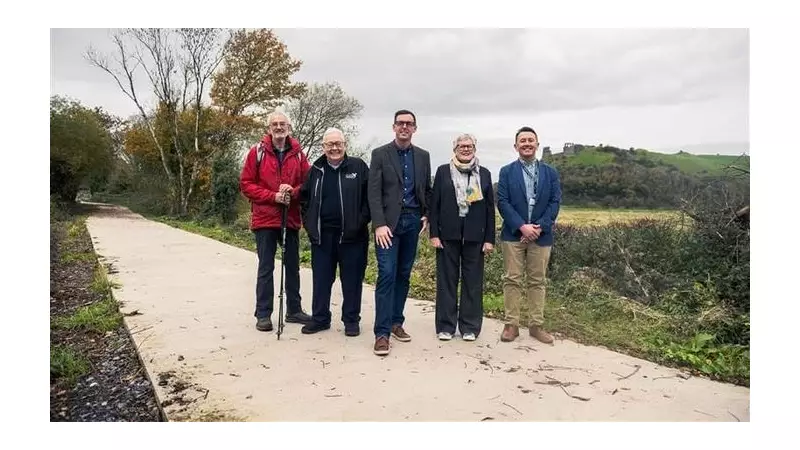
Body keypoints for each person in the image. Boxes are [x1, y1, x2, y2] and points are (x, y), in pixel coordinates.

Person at [239, 110, 313, 332]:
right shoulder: (257, 152)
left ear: (289, 128)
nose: (279, 127)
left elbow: (307, 184)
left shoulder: (299, 154)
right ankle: (263, 314)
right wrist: (273, 196)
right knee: (266, 267)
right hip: (264, 219)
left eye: (283, 124)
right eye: (275, 124)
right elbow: (246, 184)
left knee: (292, 266)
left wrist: (293, 191)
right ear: (269, 129)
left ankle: (294, 310)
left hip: (289, 218)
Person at [367, 109, 432, 356]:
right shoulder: (380, 154)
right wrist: (379, 224)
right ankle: (381, 333)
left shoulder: (423, 156)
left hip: (413, 221)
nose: (405, 127)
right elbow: (373, 192)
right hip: (388, 225)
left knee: (404, 274)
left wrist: (426, 213)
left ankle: (396, 323)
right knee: (387, 274)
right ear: (393, 127)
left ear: (415, 128)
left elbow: (426, 188)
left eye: (409, 124)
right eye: (400, 123)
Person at [299, 127, 370, 337]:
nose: (334, 148)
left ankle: (351, 320)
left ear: (345, 145)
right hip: (322, 237)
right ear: (323, 147)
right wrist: (309, 224)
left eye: (338, 143)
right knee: (321, 280)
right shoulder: (316, 170)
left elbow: (370, 198)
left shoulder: (358, 167)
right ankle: (320, 318)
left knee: (352, 281)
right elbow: (304, 199)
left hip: (353, 237)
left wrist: (360, 221)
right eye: (330, 144)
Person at [496, 126, 562, 344]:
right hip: (513, 235)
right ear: (516, 146)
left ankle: (536, 326)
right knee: (512, 280)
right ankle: (511, 325)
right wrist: (522, 227)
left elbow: (554, 202)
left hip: (541, 237)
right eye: (522, 141)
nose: (526, 144)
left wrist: (539, 227)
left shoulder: (550, 173)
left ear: (537, 144)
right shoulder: (506, 171)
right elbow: (502, 202)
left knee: (537, 281)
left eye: (530, 140)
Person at [429, 133, 495, 342]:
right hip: (448, 236)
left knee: (472, 283)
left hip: (476, 237)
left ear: (475, 148)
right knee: (446, 282)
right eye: (461, 146)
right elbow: (434, 205)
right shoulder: (442, 172)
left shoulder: (484, 174)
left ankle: (469, 326)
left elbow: (489, 210)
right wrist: (434, 234)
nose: (465, 149)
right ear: (454, 149)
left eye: (469, 146)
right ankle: (446, 326)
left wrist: (489, 239)